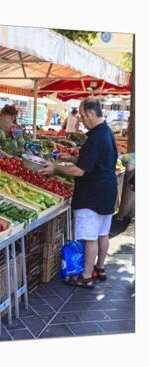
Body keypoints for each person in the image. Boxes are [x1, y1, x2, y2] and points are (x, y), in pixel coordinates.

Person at [39, 98, 118, 288]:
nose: (81, 120)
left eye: (82, 116)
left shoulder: (95, 137)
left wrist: (56, 168)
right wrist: (74, 157)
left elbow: (80, 171)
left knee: (90, 238)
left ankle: (86, 276)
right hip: (107, 190)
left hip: (91, 194)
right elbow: (93, 162)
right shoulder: (106, 132)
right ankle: (99, 268)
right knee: (102, 234)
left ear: (91, 114)